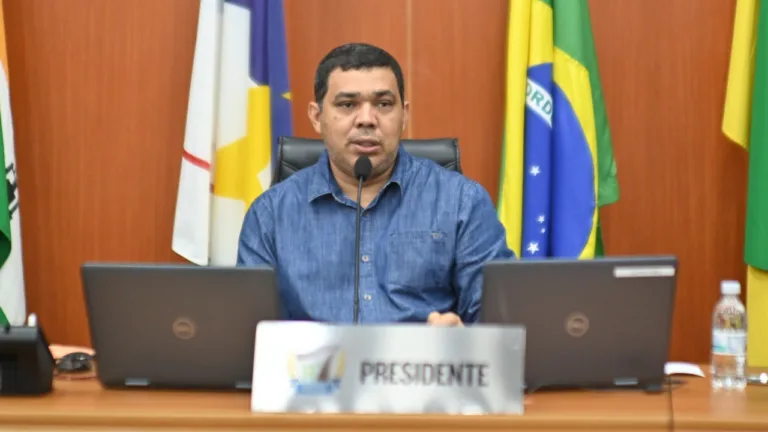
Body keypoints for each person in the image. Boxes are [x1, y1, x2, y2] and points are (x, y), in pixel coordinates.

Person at [237, 42, 515, 326]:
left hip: (422, 367)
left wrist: (464, 337)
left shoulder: (461, 202)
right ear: (317, 118)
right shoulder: (269, 215)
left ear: (404, 115)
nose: (367, 120)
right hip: (314, 369)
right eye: (348, 105)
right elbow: (249, 335)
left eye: (383, 104)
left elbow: (501, 322)